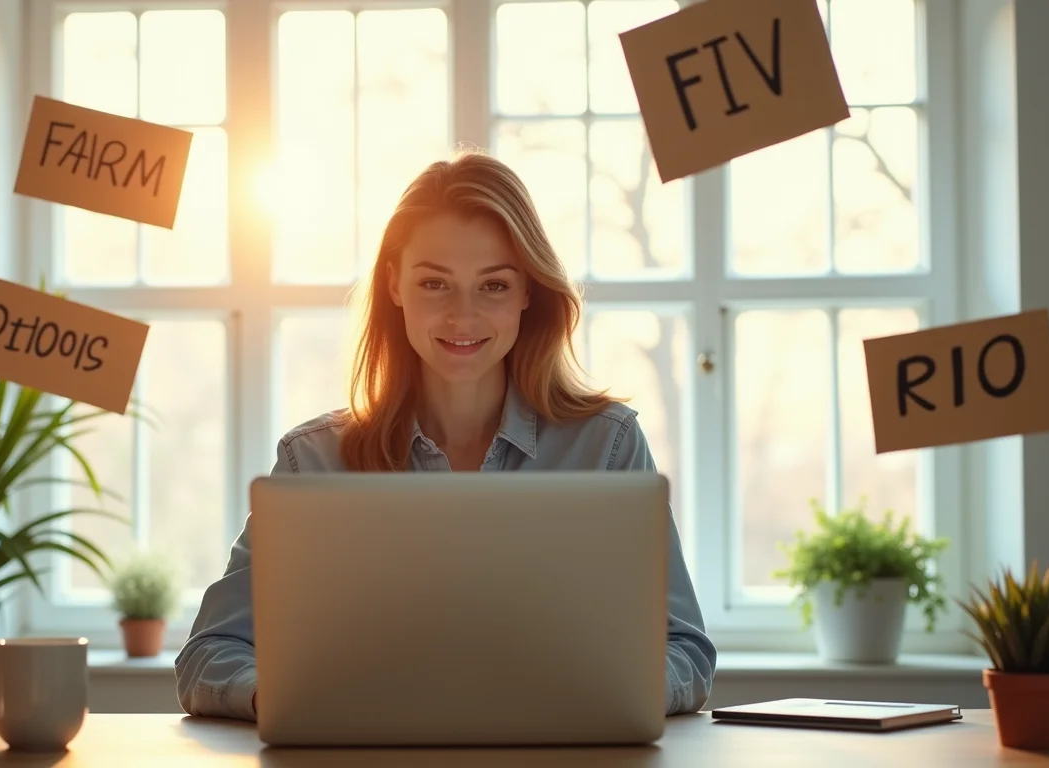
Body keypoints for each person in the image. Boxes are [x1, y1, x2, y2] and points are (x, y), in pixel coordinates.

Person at [174, 150, 716, 721]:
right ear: (394, 285)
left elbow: (684, 650)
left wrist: (596, 699)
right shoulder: (314, 460)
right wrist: (294, 700)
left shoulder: (607, 446)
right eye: (435, 283)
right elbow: (208, 655)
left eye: (494, 286)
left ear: (529, 291)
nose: (463, 318)